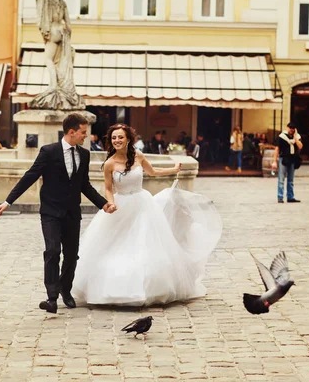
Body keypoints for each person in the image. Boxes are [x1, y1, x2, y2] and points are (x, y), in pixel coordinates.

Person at [72, 124, 223, 306]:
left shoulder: (138, 155)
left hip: (142, 204)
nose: (117, 141)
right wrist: (110, 202)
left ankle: (152, 287)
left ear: (128, 139)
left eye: (120, 137)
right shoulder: (110, 163)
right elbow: (108, 187)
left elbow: (153, 172)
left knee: (145, 242)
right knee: (116, 244)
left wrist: (173, 169)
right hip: (121, 205)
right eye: (114, 138)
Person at [0, 113, 116, 314]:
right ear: (71, 132)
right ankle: (51, 298)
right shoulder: (48, 151)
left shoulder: (84, 154)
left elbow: (84, 185)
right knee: (52, 251)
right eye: (83, 132)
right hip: (50, 212)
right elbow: (30, 176)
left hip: (71, 212)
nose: (86, 136)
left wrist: (103, 204)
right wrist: (8, 201)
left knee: (71, 255)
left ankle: (65, 290)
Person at [272, 122, 303, 203]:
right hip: (283, 159)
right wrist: (274, 161)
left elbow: (300, 146)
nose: (291, 130)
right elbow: (277, 149)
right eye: (290, 128)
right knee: (281, 179)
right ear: (287, 128)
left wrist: (296, 137)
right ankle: (280, 197)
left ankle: (290, 197)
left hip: (292, 159)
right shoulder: (282, 137)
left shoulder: (297, 137)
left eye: (293, 129)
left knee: (290, 180)